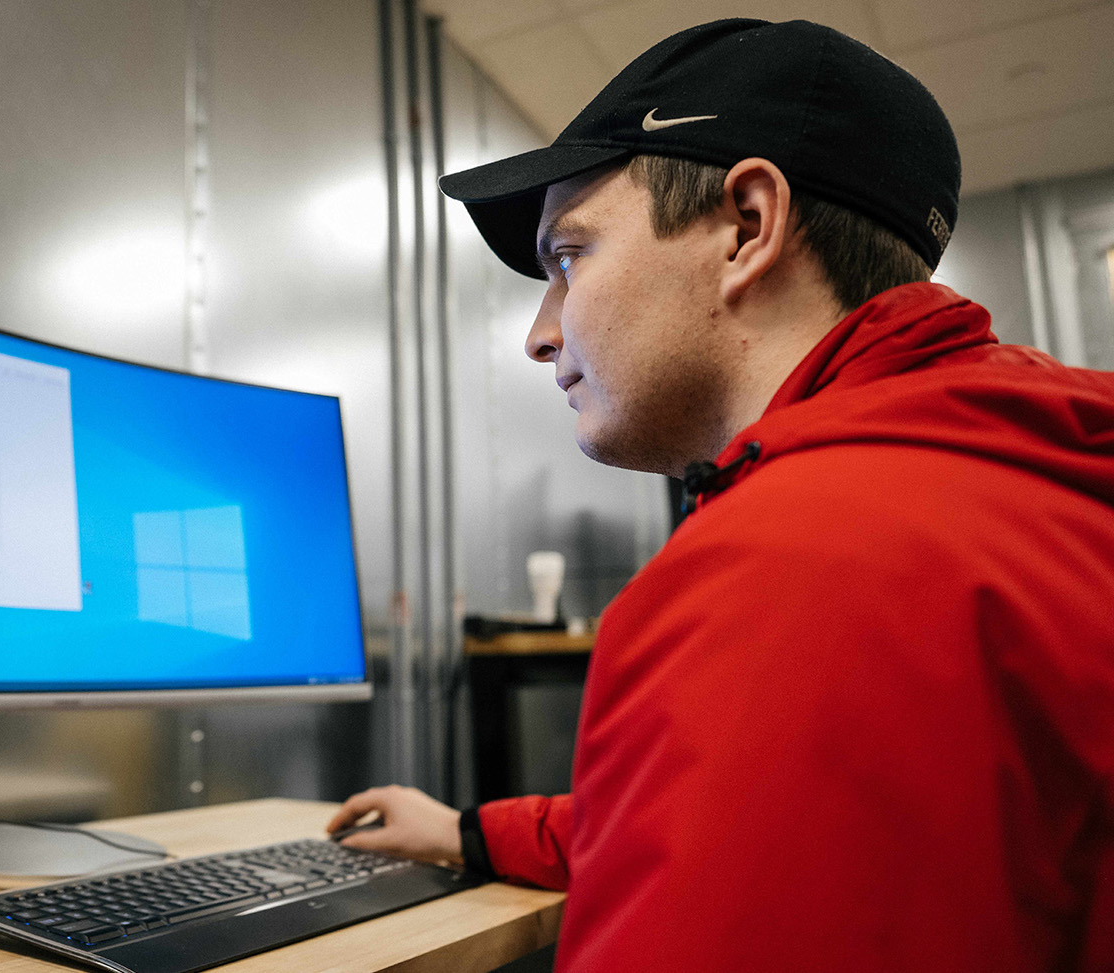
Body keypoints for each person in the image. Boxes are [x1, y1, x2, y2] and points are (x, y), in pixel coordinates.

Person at [327, 18, 1114, 972]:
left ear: (747, 226)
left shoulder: (794, 572)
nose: (541, 334)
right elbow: (764, 814)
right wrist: (473, 832)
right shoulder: (1011, 476)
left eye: (567, 259)